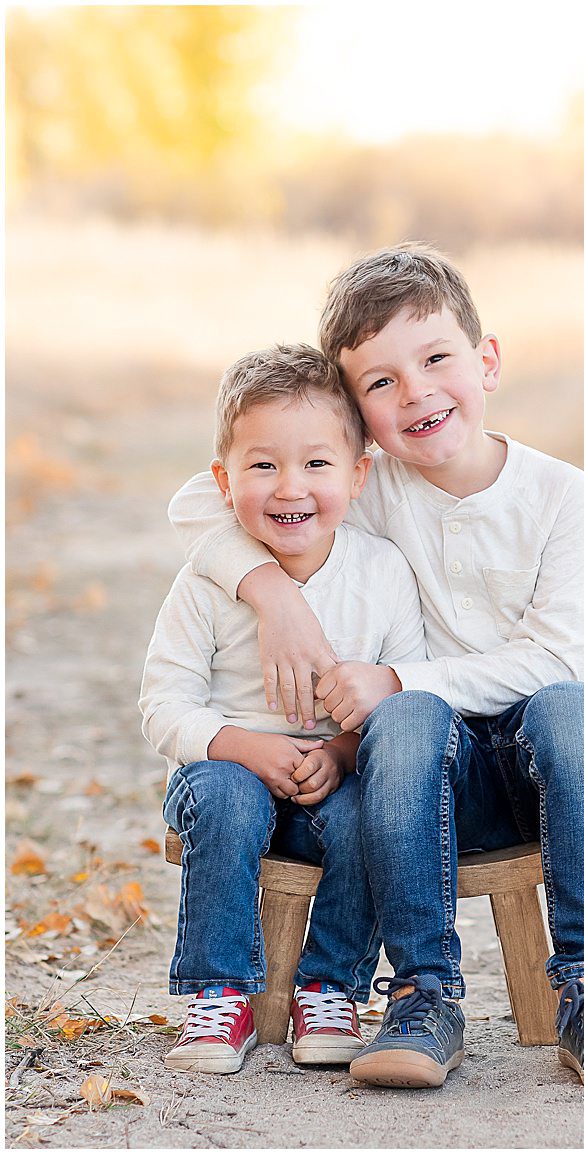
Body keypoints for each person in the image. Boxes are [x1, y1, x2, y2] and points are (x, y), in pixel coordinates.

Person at [168, 245, 584, 1090]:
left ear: (487, 361)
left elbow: (559, 654)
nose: (416, 394)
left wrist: (401, 679)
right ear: (358, 419)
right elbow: (200, 497)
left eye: (436, 359)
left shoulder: (560, 494)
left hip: (551, 768)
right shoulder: (373, 481)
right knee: (403, 723)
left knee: (567, 704)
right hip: (416, 767)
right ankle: (423, 994)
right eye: (380, 383)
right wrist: (275, 596)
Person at [141, 344, 426, 1074]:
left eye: (317, 464)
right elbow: (162, 706)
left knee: (371, 809)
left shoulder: (381, 572)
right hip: (223, 775)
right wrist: (241, 744)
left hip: (336, 777)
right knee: (227, 797)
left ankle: (330, 987)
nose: (289, 487)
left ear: (359, 473)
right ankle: (218, 998)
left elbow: (405, 697)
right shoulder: (207, 582)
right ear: (222, 479)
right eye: (262, 465)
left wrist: (339, 753)